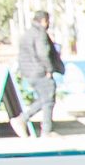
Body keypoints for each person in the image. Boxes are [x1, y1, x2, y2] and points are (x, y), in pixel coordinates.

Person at [13, 10, 61, 138]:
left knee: (44, 99)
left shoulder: (27, 34)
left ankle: (27, 121)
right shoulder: (40, 34)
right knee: (48, 99)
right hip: (40, 71)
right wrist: (49, 69)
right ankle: (43, 129)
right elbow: (43, 53)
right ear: (44, 21)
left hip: (28, 72)